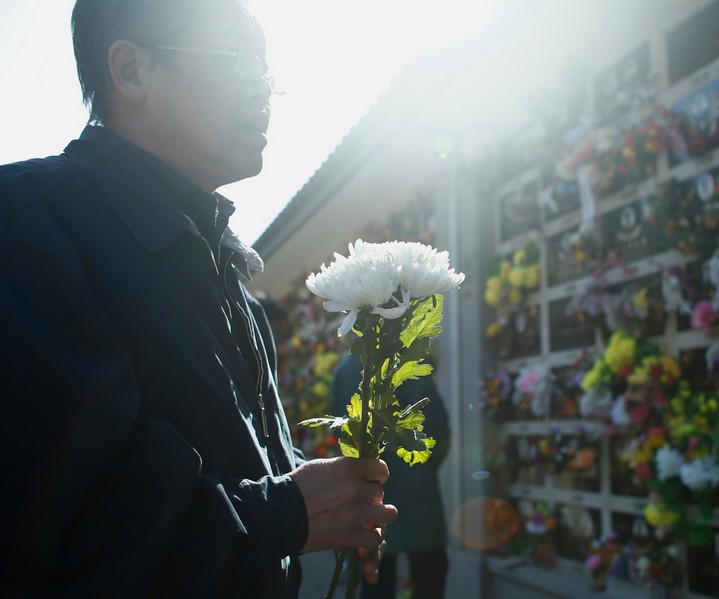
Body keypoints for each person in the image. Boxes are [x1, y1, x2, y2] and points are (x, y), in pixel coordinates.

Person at [0, 0, 396, 596]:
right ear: (132, 71)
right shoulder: (31, 221)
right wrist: (286, 512)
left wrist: (328, 507)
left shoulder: (227, 271)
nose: (265, 90)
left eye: (266, 70)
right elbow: (60, 513)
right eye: (238, 60)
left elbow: (253, 473)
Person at [332, 353, 450, 599]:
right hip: (420, 493)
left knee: (375, 581)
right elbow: (440, 429)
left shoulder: (345, 370)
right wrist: (421, 467)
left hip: (371, 494)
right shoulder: (411, 364)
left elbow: (340, 436)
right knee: (429, 578)